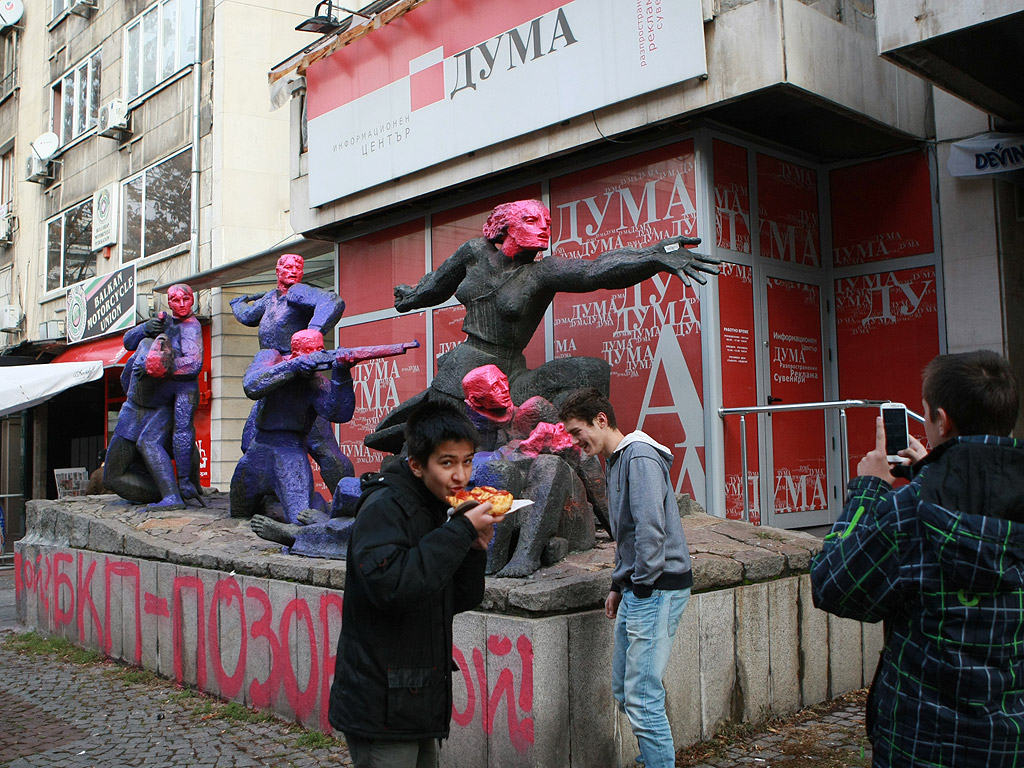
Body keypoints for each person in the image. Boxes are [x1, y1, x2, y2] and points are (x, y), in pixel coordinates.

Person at [366, 198, 719, 452]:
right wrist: (411, 297)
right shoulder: (474, 252)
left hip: (509, 372)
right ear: (505, 227)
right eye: (533, 221)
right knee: (448, 439)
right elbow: (437, 285)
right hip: (463, 371)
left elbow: (596, 269)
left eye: (548, 223)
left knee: (589, 370)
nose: (545, 229)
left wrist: (651, 257)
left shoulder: (542, 272)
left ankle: (582, 449)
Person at [811, 350, 1023, 768]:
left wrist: (869, 489)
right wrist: (933, 470)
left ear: (941, 422)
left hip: (922, 744)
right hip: (1009, 744)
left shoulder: (909, 512)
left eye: (925, 415)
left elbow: (832, 584)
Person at [328, 400, 499, 768]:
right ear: (417, 465)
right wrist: (458, 533)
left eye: (467, 461)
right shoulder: (385, 506)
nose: (460, 476)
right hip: (381, 703)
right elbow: (393, 587)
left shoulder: (438, 506)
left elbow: (461, 597)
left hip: (417, 695)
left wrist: (472, 549)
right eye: (447, 462)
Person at [558, 387, 693, 768]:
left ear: (601, 420)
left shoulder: (639, 457)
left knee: (641, 694)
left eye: (576, 431)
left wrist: (643, 587)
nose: (574, 440)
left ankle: (658, 763)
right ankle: (652, 754)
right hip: (639, 587)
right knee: (625, 688)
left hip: (656, 588)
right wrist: (618, 586)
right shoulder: (617, 460)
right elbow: (628, 537)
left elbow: (651, 530)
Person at [230, 252, 353, 490]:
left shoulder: (298, 293)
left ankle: (349, 499)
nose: (294, 271)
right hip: (273, 378)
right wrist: (236, 304)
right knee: (251, 442)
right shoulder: (270, 299)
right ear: (278, 271)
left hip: (299, 378)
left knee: (323, 448)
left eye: (298, 267)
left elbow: (333, 301)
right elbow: (247, 316)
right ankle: (275, 494)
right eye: (288, 267)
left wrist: (314, 331)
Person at [229, 329, 355, 524]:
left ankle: (317, 505)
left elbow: (339, 414)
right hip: (258, 448)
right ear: (295, 352)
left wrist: (342, 375)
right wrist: (293, 368)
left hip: (290, 451)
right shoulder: (272, 358)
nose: (315, 355)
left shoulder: (317, 384)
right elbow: (252, 385)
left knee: (299, 519)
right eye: (309, 351)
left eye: (319, 350)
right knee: (238, 510)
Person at [105, 283, 203, 509]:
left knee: (153, 441)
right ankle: (172, 491)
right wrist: (145, 327)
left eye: (185, 300)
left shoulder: (191, 329)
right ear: (169, 302)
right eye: (175, 301)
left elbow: (194, 365)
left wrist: (156, 367)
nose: (180, 305)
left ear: (193, 300)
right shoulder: (162, 324)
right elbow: (128, 342)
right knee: (112, 477)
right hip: (133, 406)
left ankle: (175, 493)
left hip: (159, 404)